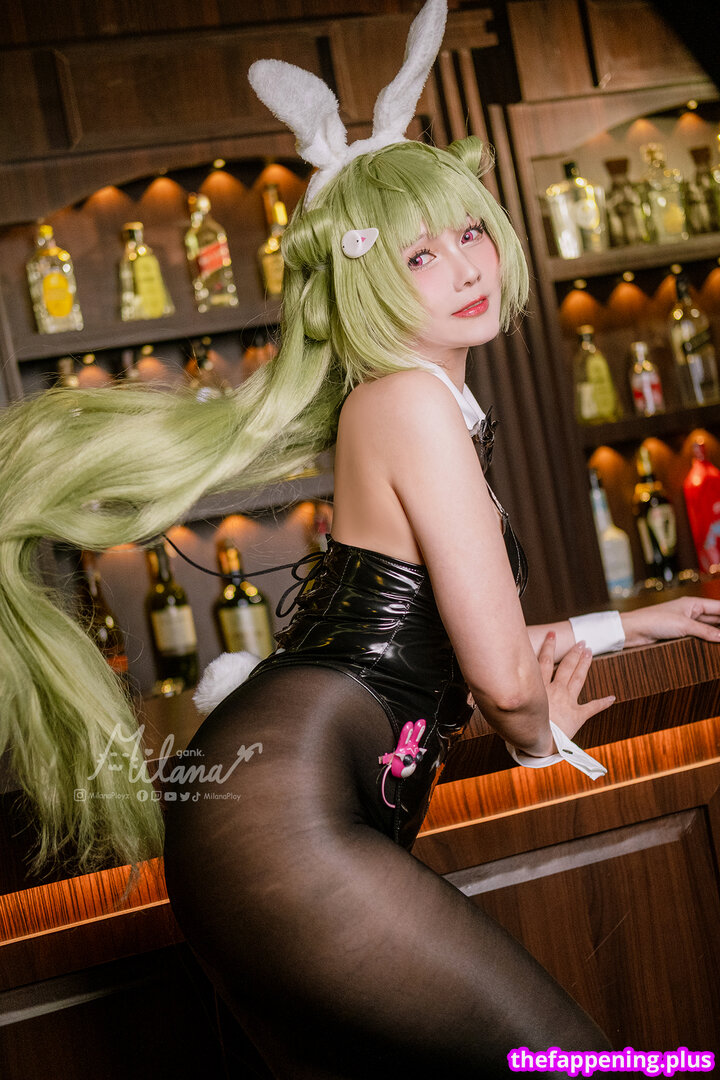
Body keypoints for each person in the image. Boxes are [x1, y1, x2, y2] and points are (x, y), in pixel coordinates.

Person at [1, 1, 719, 1074]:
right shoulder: (411, 402)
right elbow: (498, 677)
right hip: (280, 822)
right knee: (573, 1063)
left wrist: (630, 623)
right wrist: (539, 741)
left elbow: (426, 639)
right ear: (364, 277)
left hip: (270, 812)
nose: (466, 267)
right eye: (420, 253)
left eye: (470, 231)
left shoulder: (418, 403)